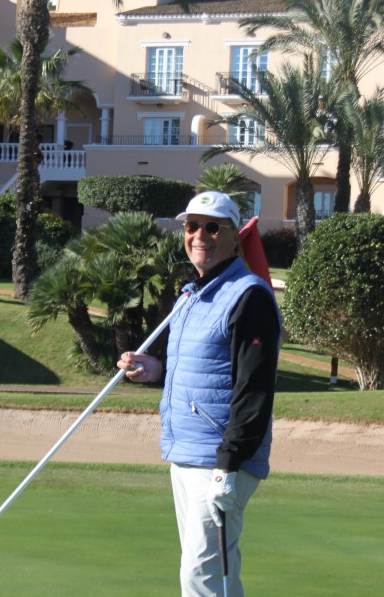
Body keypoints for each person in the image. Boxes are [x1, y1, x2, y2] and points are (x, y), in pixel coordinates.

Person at [117, 191, 281, 597]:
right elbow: (207, 368)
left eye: (212, 227)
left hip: (220, 460)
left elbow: (254, 389)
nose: (199, 236)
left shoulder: (249, 296)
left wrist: (228, 464)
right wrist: (155, 370)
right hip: (186, 452)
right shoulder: (192, 295)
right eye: (191, 226)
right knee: (217, 575)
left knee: (200, 576)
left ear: (234, 236)